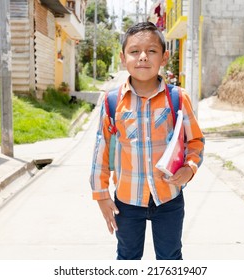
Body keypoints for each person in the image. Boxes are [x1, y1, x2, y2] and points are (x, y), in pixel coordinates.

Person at [90, 22, 205, 260]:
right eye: (134, 51)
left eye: (151, 51)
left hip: (169, 198)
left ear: (164, 57)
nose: (143, 57)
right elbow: (101, 150)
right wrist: (101, 195)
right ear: (123, 58)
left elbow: (195, 141)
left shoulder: (177, 98)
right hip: (127, 201)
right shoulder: (113, 102)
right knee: (128, 258)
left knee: (171, 258)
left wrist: (189, 168)